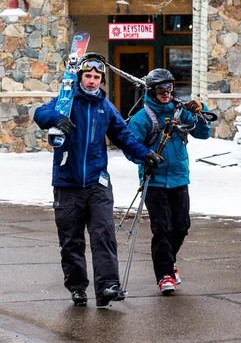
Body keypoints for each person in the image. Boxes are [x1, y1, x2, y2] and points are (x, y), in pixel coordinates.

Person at [34, 52, 160, 308]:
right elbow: (39, 114)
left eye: (96, 77)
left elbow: (124, 137)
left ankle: (107, 287)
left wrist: (145, 155)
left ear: (101, 79)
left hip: (97, 184)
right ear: (80, 77)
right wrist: (56, 118)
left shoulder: (106, 108)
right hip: (67, 184)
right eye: (88, 76)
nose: (92, 81)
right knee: (71, 241)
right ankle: (78, 288)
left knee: (103, 235)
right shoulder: (65, 102)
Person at [127, 68, 212, 295]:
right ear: (151, 90)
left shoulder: (179, 111)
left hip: (179, 178)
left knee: (182, 226)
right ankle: (165, 275)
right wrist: (145, 157)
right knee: (162, 228)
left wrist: (200, 112)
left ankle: (169, 260)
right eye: (160, 88)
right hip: (154, 181)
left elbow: (203, 134)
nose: (166, 92)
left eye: (169, 87)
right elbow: (129, 148)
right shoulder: (142, 118)